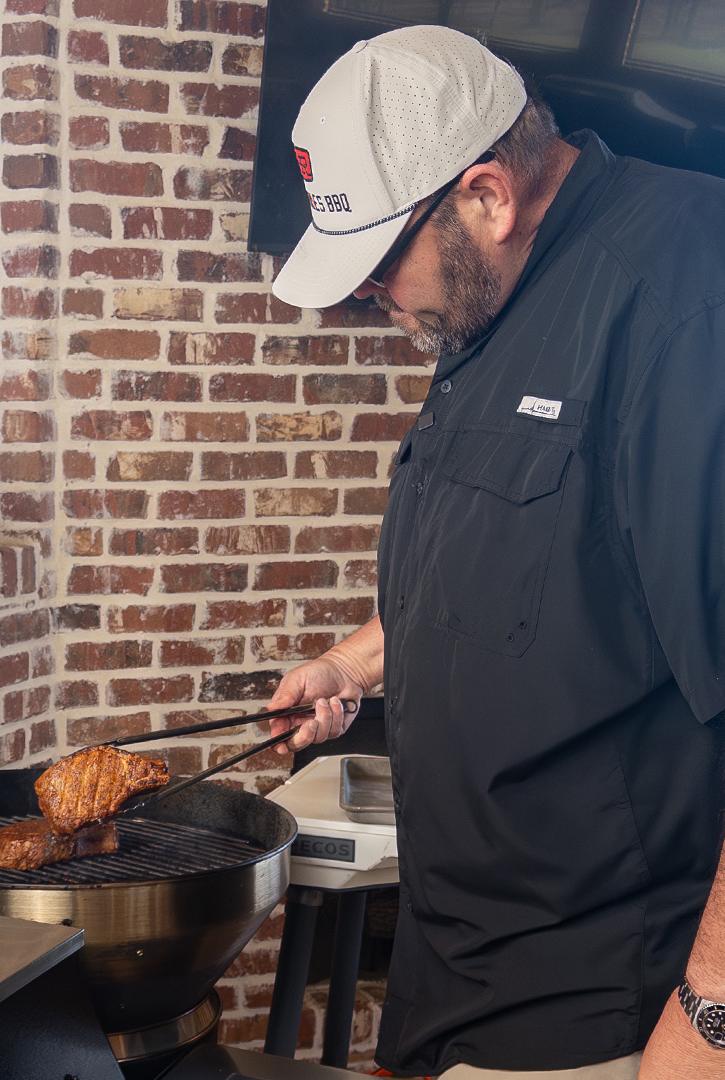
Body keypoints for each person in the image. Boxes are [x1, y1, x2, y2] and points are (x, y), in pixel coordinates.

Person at [264, 24, 725, 1080]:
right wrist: (351, 663)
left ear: (485, 194)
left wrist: (709, 1021)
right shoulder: (485, 298)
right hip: (452, 974)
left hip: (609, 1010)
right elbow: (520, 560)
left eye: (379, 264)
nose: (364, 294)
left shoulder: (686, 294)